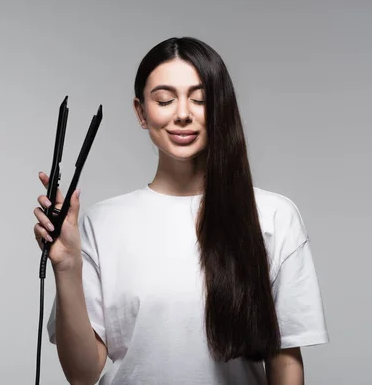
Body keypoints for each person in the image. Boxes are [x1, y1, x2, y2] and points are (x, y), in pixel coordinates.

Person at [33, 36, 329, 385]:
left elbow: (285, 360)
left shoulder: (274, 216)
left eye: (200, 99)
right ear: (141, 112)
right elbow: (83, 374)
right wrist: (66, 266)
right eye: (165, 100)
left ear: (220, 107)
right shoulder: (103, 224)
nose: (183, 114)